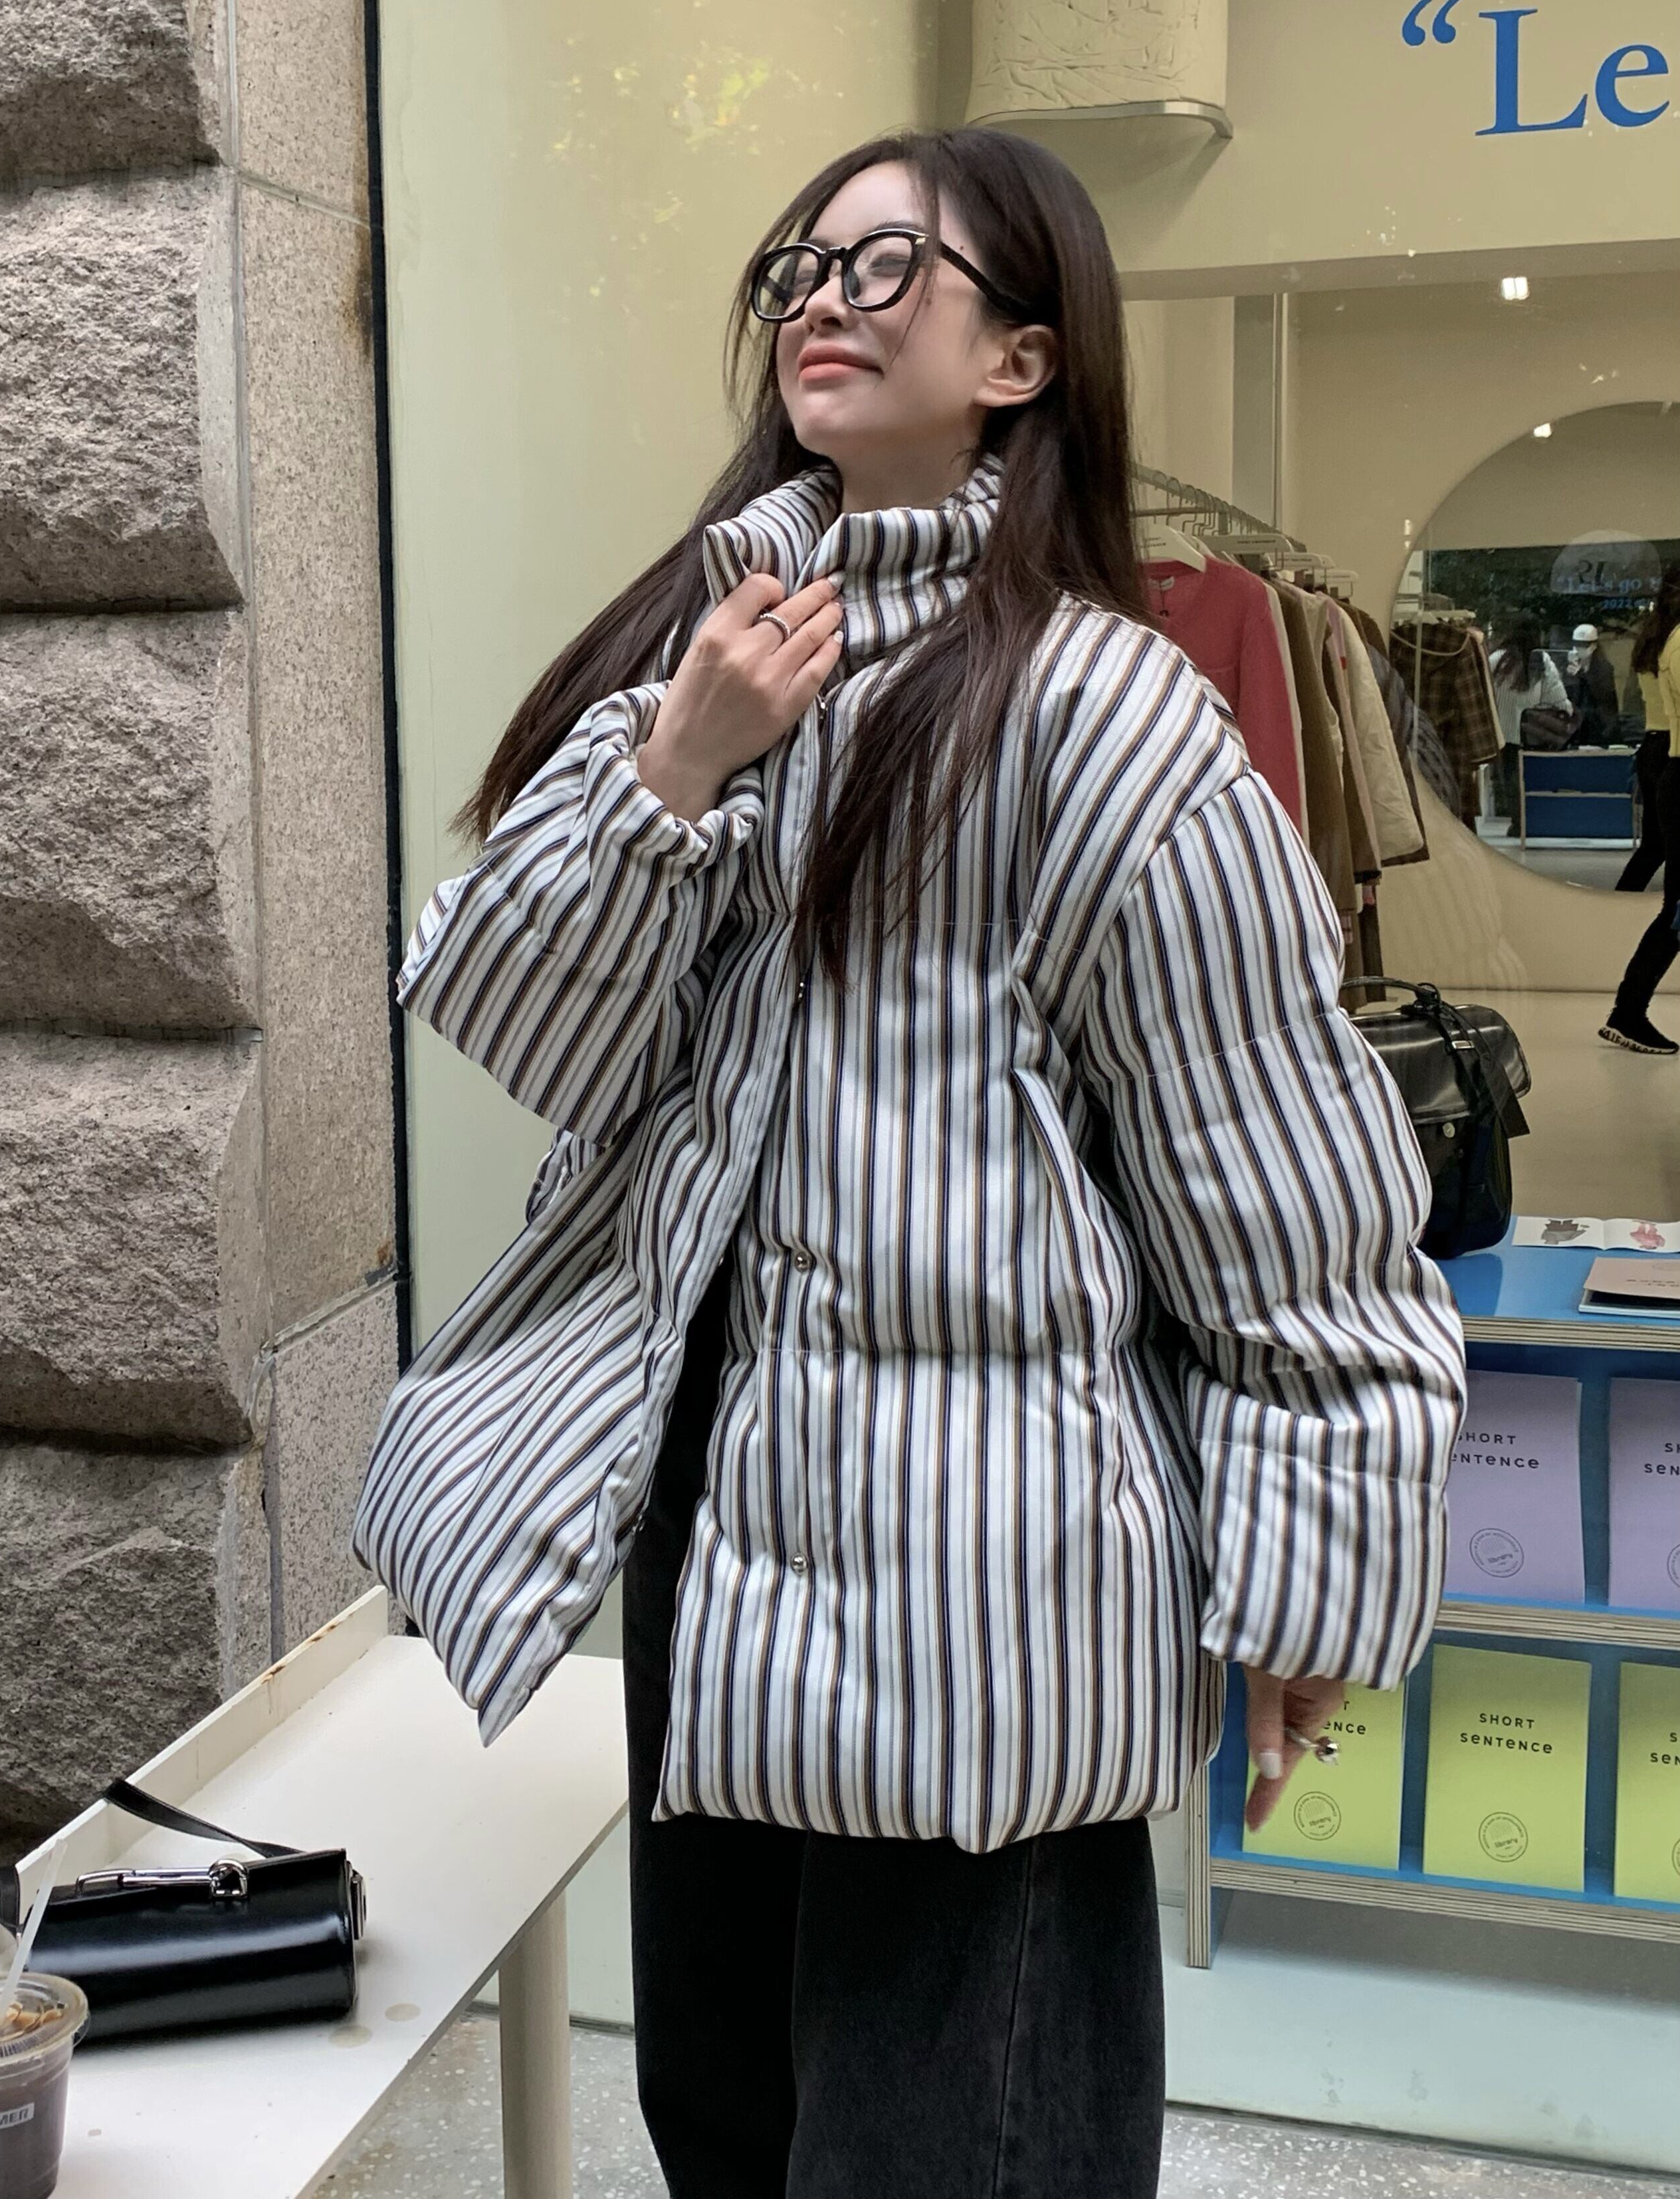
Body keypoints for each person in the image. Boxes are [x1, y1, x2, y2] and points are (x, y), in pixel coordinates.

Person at [356, 128, 1465, 2198]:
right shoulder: (708, 657)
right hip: (719, 1534)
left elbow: (1278, 1184)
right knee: (726, 2127)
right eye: (802, 262)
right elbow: (523, 1027)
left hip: (984, 1588)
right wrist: (675, 767)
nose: (821, 296)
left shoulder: (1103, 715)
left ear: (1019, 360)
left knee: (950, 2149)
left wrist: (1308, 1564)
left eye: (886, 267)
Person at [1604, 569, 1680, 1053]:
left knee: (1660, 865)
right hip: (1672, 758)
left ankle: (1628, 1011)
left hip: (1661, 752)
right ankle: (1628, 1011)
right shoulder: (1678, 641)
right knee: (1675, 907)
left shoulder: (1658, 639)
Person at [1486, 621, 1570, 836]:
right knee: (1531, 779)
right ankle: (1533, 820)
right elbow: (1558, 699)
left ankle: (1518, 823)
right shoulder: (1542, 662)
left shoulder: (1495, 660)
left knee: (1509, 779)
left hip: (1502, 733)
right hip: (1532, 734)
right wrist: (1567, 714)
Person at [1617, 593, 1674, 893]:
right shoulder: (1675, 647)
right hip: (1672, 746)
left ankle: (1620, 901)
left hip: (1652, 745)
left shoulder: (1650, 643)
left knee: (1654, 844)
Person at [1564, 621, 1620, 748]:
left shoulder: (1604, 668)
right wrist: (1571, 678)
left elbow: (1603, 696)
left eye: (1584, 645)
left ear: (1594, 645)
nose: (1579, 649)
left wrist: (1582, 676)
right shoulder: (1569, 667)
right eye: (1577, 645)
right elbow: (1570, 698)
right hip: (1578, 727)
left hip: (1600, 728)